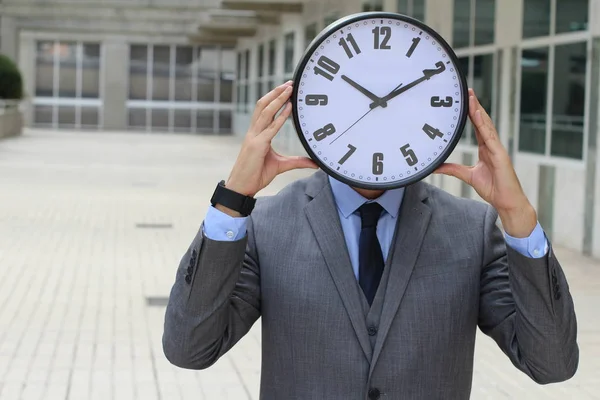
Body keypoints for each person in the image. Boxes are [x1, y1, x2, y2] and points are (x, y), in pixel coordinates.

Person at [162, 81, 578, 399]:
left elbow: (552, 363)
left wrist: (518, 218)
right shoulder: (268, 224)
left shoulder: (471, 228)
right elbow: (189, 348)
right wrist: (232, 201)